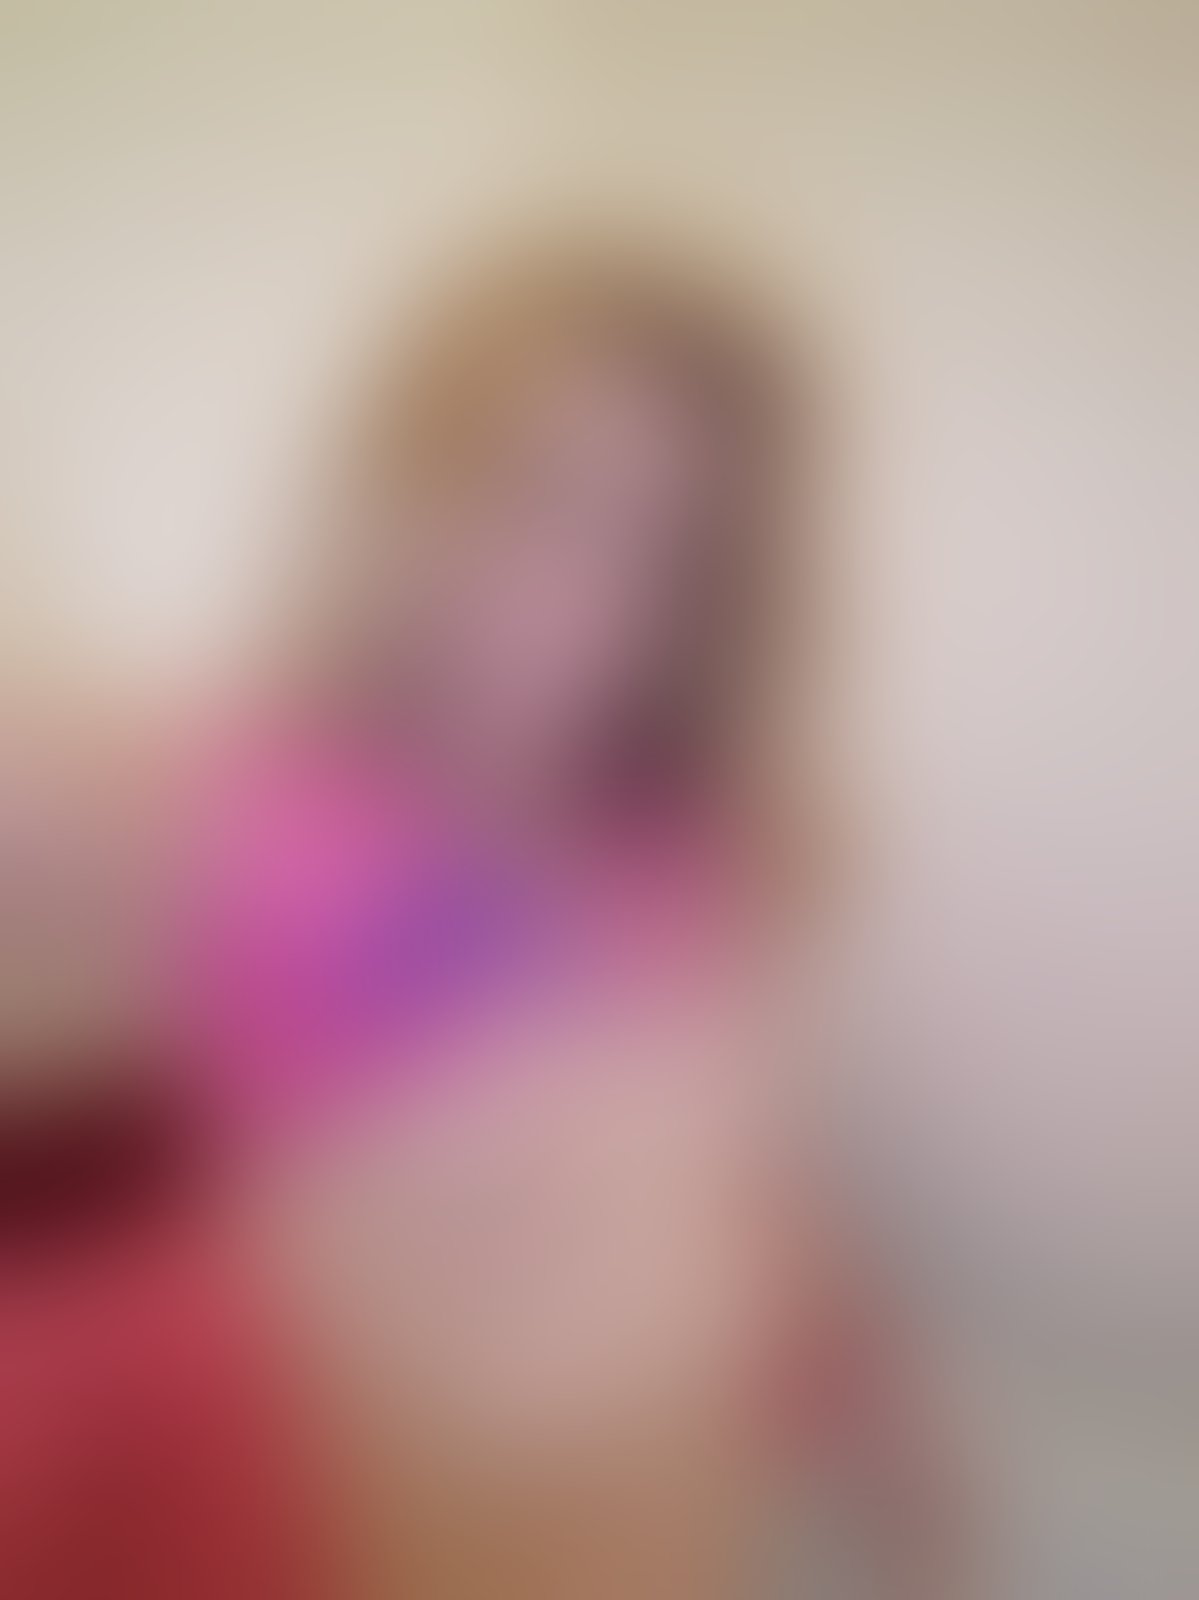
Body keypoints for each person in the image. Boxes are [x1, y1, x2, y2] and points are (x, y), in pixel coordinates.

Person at [178, 236, 954, 1598]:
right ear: (410, 492)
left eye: (669, 551)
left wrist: (883, 1431)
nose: (590, 600)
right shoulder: (247, 825)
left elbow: (735, 1196)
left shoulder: (686, 857)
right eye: (537, 495)